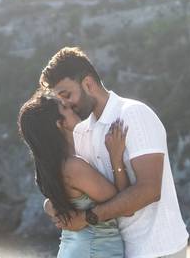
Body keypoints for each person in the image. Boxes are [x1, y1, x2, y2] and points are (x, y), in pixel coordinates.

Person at [39, 47, 189, 258]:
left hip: (158, 248)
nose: (66, 104)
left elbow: (149, 190)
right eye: (61, 100)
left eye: (67, 95)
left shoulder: (133, 115)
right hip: (118, 251)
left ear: (88, 84)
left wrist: (87, 217)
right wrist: (53, 207)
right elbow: (84, 190)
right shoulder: (82, 132)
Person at [19, 90, 129, 257]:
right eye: (64, 107)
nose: (71, 106)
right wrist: (116, 159)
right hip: (93, 251)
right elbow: (123, 205)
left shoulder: (56, 166)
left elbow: (58, 202)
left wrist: (49, 206)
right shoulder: (73, 167)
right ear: (59, 123)